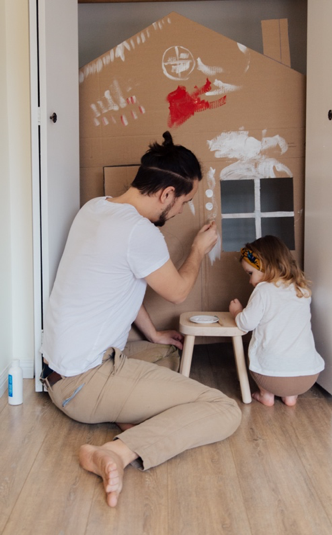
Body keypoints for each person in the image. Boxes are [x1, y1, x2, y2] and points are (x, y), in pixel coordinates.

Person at [40, 131, 241, 507]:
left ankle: (128, 417)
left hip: (57, 373)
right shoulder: (139, 231)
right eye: (184, 201)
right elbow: (179, 291)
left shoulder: (96, 208)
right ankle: (117, 452)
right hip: (84, 384)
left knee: (168, 354)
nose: (181, 210)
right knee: (224, 410)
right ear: (167, 194)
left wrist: (154, 334)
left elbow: (122, 289)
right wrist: (198, 249)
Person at [229, 235, 324, 407]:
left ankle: (266, 394)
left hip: (272, 378)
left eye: (251, 274)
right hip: (308, 376)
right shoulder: (302, 289)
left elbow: (246, 324)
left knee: (257, 355)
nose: (250, 281)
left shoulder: (263, 290)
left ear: (265, 266)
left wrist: (237, 312)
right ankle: (291, 397)